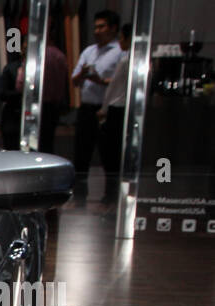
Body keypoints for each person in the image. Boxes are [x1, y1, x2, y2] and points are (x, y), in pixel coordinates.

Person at [71, 9, 123, 197]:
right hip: (86, 108)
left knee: (109, 155)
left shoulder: (119, 52)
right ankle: (78, 195)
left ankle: (111, 197)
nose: (97, 31)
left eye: (101, 26)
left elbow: (120, 81)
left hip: (107, 109)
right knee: (81, 153)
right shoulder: (89, 51)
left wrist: (100, 80)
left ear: (113, 28)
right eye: (95, 27)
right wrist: (84, 74)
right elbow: (74, 80)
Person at [99, 22, 132, 203]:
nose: (119, 41)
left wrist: (103, 110)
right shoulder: (142, 61)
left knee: (111, 156)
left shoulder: (126, 60)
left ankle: (110, 194)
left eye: (121, 38)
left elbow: (113, 89)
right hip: (127, 110)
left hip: (116, 110)